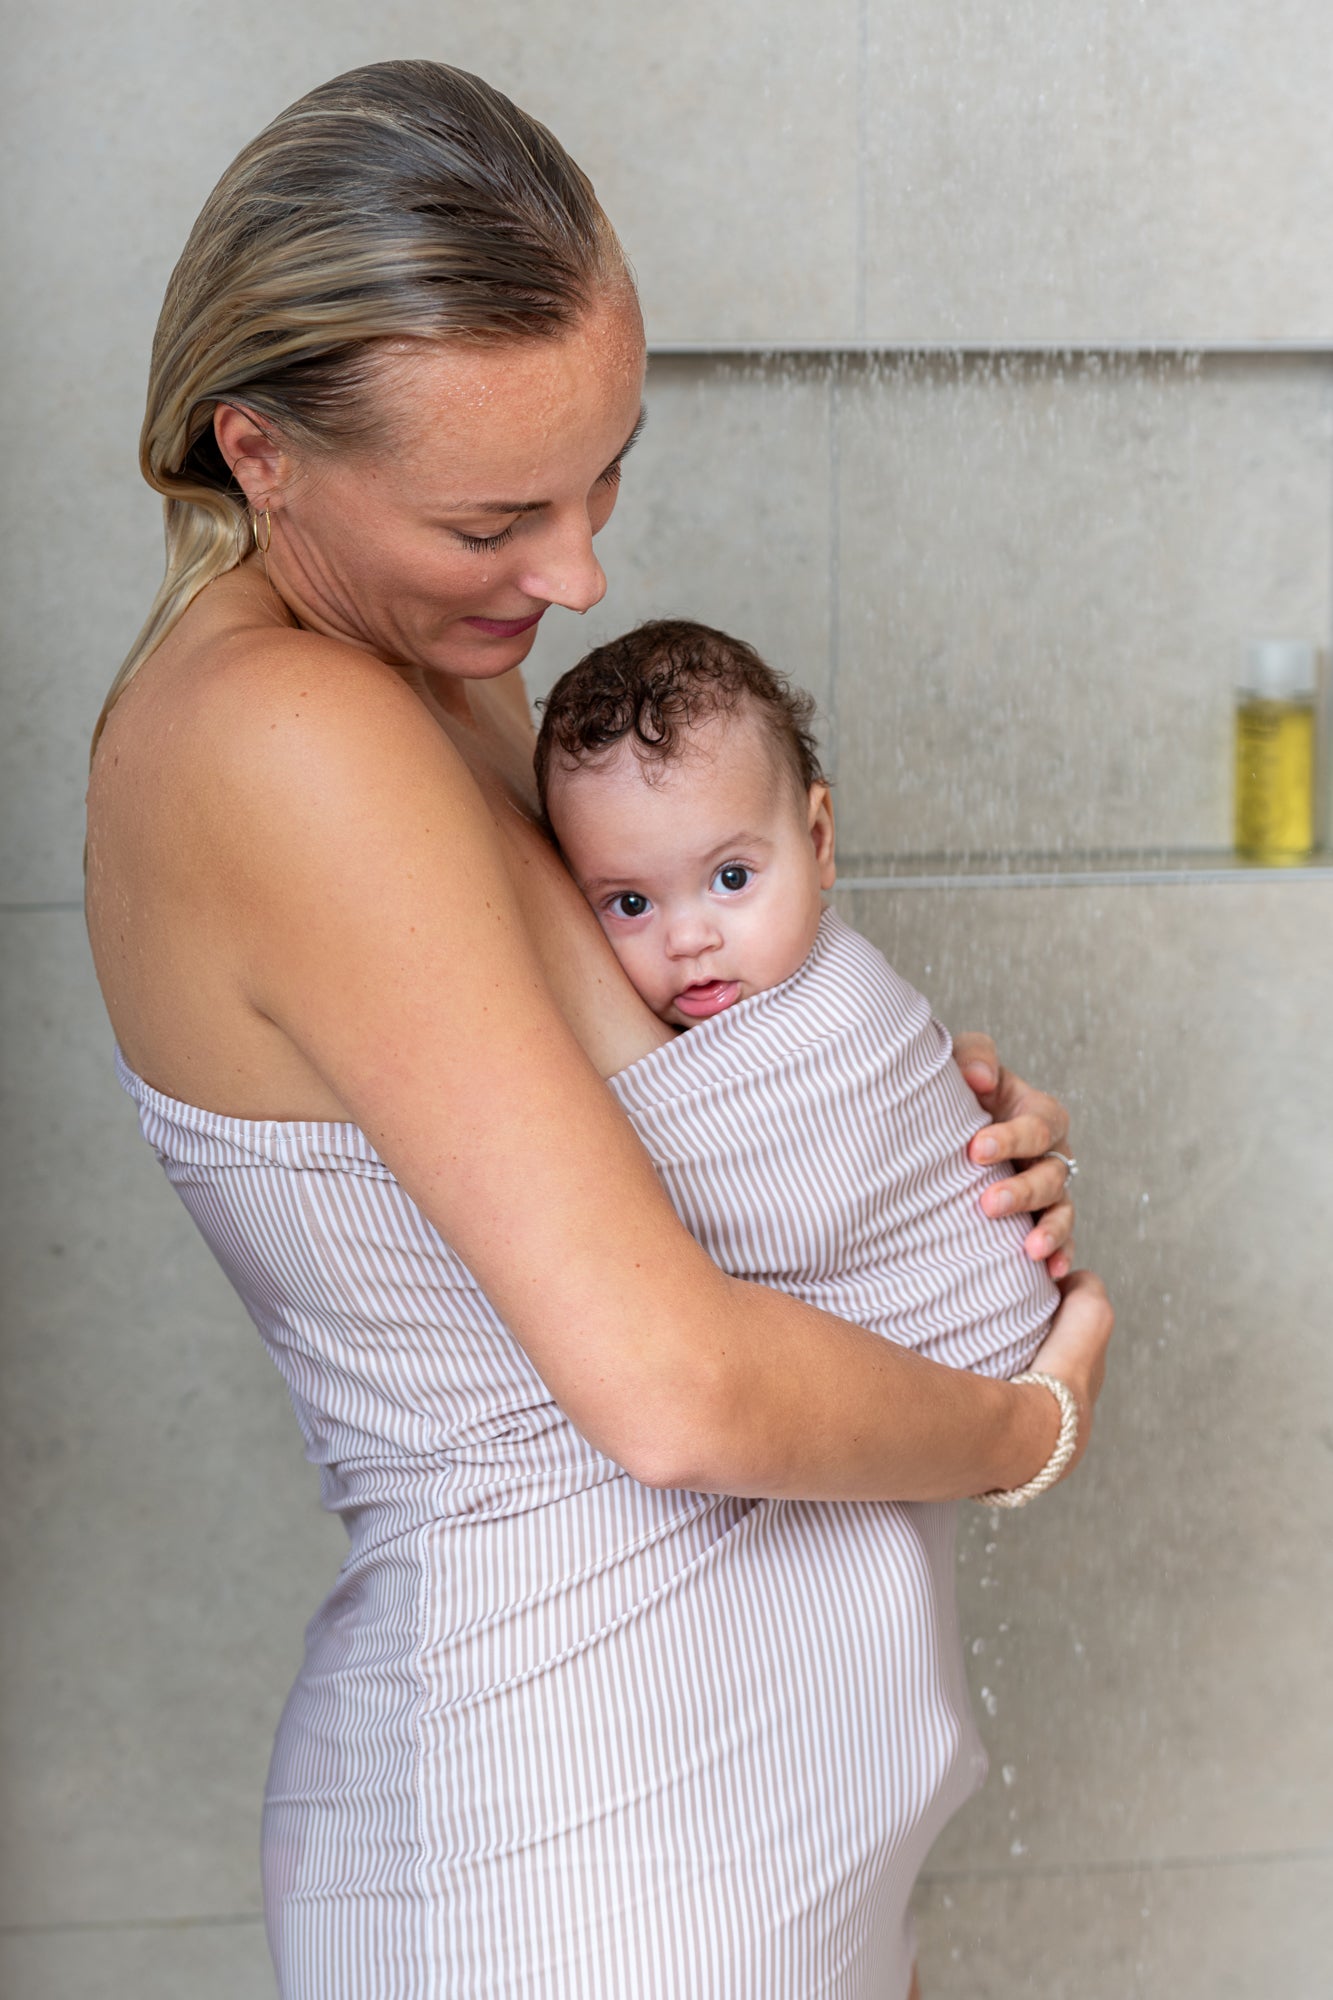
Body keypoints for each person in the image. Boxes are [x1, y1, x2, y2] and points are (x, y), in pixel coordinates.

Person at [84, 60, 1112, 2000]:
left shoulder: (428, 689)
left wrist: (929, 1151)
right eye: (496, 518)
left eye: (604, 472)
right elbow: (672, 1387)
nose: (579, 579)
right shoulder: (287, 741)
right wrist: (1020, 1421)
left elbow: (670, 1165)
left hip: (714, 1801)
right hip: (579, 1834)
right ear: (262, 449)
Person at [537, 615, 1065, 1382]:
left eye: (730, 879)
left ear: (818, 841)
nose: (688, 939)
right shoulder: (751, 976)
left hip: (959, 1345)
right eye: (627, 904)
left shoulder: (843, 1003)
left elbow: (777, 1216)